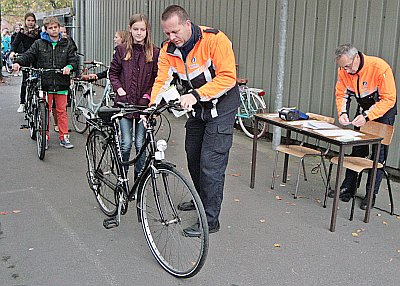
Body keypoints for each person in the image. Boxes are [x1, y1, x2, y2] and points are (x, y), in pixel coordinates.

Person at [150, 5, 240, 236]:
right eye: (167, 33)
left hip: (221, 108)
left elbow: (228, 78)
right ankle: (202, 200)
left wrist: (197, 94)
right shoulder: (168, 50)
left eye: (176, 32)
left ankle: (211, 220)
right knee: (193, 157)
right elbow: (162, 80)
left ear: (187, 24)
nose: (172, 38)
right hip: (197, 110)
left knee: (211, 164)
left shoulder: (214, 40)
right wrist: (151, 106)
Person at [328, 44, 397, 210]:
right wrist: (343, 113)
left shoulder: (379, 67)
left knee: (378, 157)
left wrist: (367, 116)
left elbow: (389, 99)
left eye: (347, 66)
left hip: (383, 111)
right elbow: (342, 94)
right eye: (342, 67)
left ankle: (370, 195)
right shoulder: (344, 70)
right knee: (357, 149)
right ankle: (347, 189)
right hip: (364, 108)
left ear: (356, 58)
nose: (345, 70)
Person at [13, 16, 77, 149]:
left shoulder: (67, 43)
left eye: (55, 27)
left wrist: (69, 67)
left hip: (61, 82)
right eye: (50, 28)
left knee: (61, 111)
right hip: (44, 83)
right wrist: (18, 62)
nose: (53, 30)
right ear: (46, 30)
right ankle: (45, 136)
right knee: (45, 111)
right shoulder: (39, 43)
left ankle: (64, 136)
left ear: (59, 28)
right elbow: (28, 55)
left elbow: (73, 60)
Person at [109, 14, 159, 178]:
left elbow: (156, 79)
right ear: (130, 29)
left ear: (147, 31)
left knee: (141, 143)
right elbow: (113, 73)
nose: (139, 33)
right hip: (125, 104)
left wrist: (147, 96)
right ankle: (122, 175)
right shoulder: (122, 50)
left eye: (142, 29)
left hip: (143, 105)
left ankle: (139, 177)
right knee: (126, 143)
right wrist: (120, 90)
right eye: (135, 29)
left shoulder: (154, 52)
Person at [10, 13, 41, 113]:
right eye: (28, 20)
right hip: (25, 57)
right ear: (25, 21)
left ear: (35, 21)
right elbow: (15, 44)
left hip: (37, 58)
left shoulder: (39, 32)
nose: (30, 23)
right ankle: (22, 103)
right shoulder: (22, 32)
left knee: (38, 81)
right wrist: (12, 52)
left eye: (32, 21)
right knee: (25, 81)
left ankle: (39, 101)